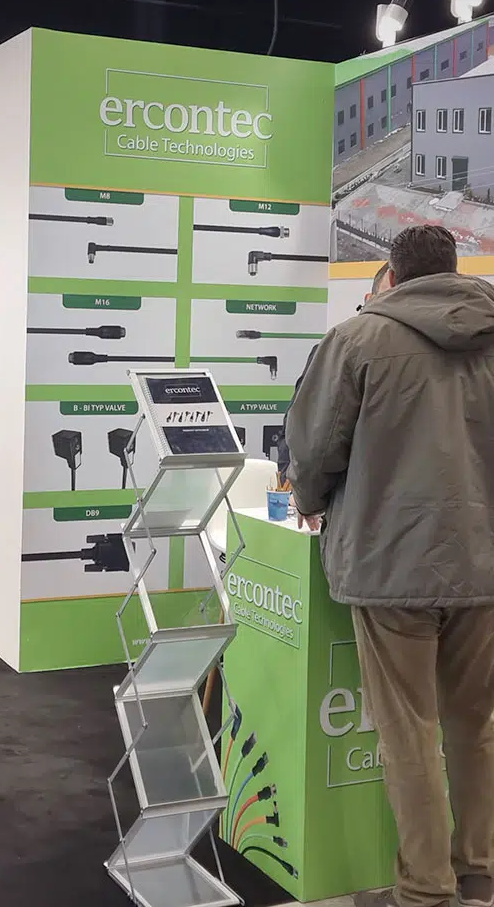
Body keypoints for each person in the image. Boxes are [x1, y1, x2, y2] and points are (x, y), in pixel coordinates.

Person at [286, 226, 494, 907]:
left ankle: (425, 890)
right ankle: (480, 871)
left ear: (392, 276)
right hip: (484, 563)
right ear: (454, 269)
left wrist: (309, 501)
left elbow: (315, 447)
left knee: (409, 731)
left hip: (389, 561)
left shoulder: (356, 341)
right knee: (476, 724)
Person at [274, 261, 391, 478]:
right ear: (369, 300)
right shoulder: (337, 351)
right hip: (340, 493)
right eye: (388, 300)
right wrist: (293, 484)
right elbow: (299, 432)